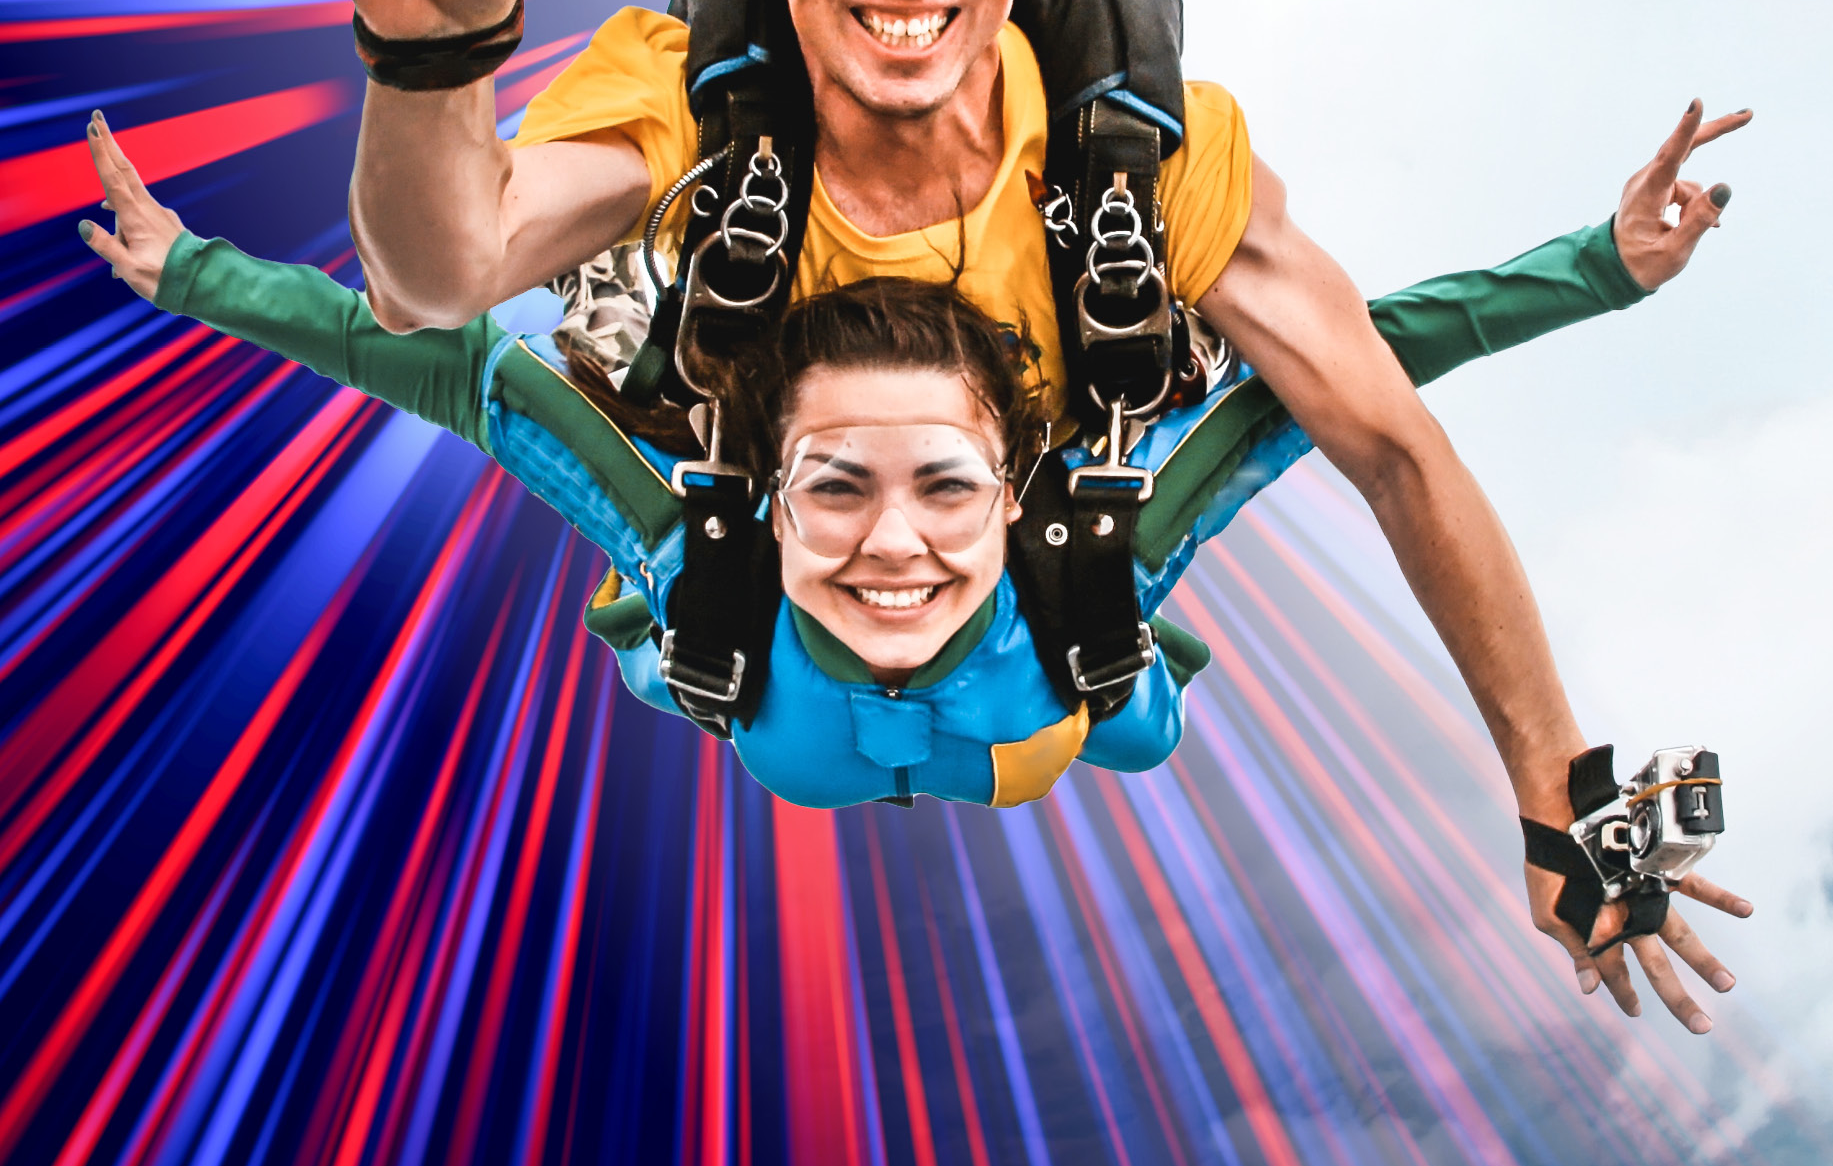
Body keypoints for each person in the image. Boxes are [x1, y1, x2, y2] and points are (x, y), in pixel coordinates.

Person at [80, 110, 1749, 1032]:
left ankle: (1051, 621)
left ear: (1014, 489)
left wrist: (1595, 267)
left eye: (944, 486)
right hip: (900, 711)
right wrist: (196, 271)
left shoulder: (1078, 570)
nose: (892, 545)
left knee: (1118, 702)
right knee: (746, 642)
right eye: (837, 488)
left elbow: (1342, 379)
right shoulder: (709, 559)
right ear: (767, 490)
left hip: (1016, 708)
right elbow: (459, 370)